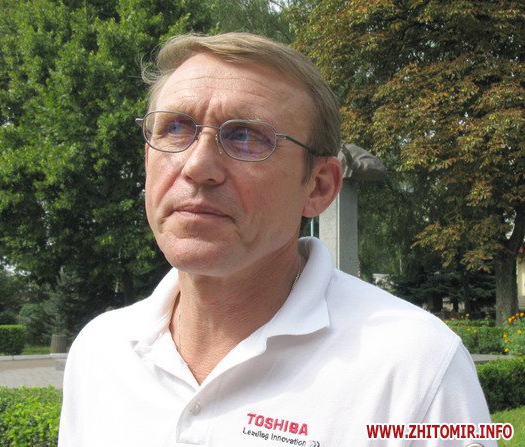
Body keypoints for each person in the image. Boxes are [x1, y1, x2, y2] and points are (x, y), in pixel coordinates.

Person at [58, 33, 496, 446]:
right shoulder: (101, 351)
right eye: (175, 128)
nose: (197, 166)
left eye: (246, 136)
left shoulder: (417, 368)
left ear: (319, 186)